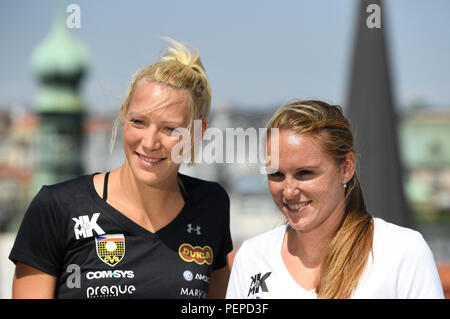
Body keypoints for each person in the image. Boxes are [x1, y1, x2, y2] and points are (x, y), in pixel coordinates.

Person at [9, 38, 233, 299]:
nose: (149, 143)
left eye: (170, 129)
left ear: (197, 133)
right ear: (123, 115)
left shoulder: (211, 205)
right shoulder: (57, 207)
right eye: (138, 121)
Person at [226, 100, 444, 299]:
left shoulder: (402, 251)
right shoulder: (251, 257)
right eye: (277, 175)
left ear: (346, 168)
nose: (289, 191)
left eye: (305, 173)